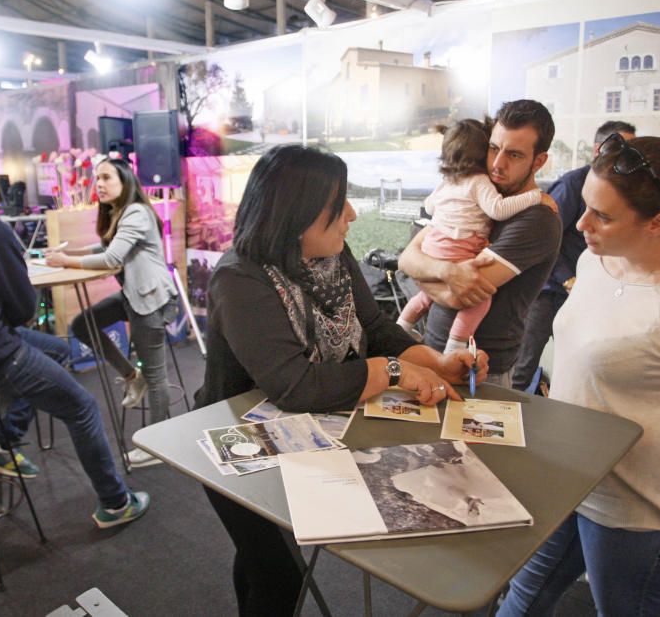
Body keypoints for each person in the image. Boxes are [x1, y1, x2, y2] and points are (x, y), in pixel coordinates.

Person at [196, 144, 489, 617]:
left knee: (267, 562)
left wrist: (435, 362)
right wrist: (392, 371)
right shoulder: (240, 278)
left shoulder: (332, 254)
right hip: (237, 444)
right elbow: (295, 386)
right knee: (278, 572)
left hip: (308, 433)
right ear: (296, 216)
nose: (351, 214)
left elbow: (375, 329)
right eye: (338, 205)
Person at [497, 135, 660, 615]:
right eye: (587, 205)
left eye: (603, 215)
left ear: (659, 223)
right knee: (521, 602)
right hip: (569, 481)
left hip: (636, 511)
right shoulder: (596, 260)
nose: (581, 224)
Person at [0, 150, 149, 529]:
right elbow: (24, 308)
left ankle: (5, 443)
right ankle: (116, 502)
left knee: (59, 351)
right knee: (84, 408)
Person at [399, 100, 562, 387]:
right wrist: (448, 274)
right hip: (434, 353)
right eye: (494, 148)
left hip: (481, 370)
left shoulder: (537, 218)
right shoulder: (475, 198)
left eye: (513, 154)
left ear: (538, 161)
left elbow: (463, 294)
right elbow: (405, 260)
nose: (498, 164)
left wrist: (427, 275)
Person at [46, 156, 178, 469]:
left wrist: (66, 261)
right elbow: (103, 248)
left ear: (125, 182)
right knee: (83, 325)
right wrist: (67, 253)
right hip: (135, 296)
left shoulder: (135, 211)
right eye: (97, 178)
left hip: (152, 301)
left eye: (106, 178)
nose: (99, 184)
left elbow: (111, 258)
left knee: (158, 378)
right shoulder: (121, 212)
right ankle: (133, 375)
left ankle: (159, 446)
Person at [510, 120, 636, 392]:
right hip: (549, 290)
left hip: (584, 290)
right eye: (619, 147)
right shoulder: (572, 184)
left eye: (632, 150)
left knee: (579, 362)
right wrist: (567, 279)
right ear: (598, 149)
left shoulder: (625, 189)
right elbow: (544, 240)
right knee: (525, 364)